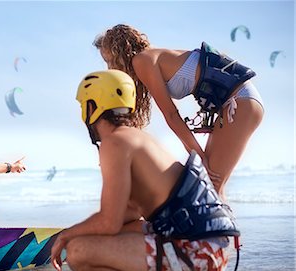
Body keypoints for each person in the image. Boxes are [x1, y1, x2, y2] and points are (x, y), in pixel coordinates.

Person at [50, 70, 241, 271]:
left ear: (91, 107)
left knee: (79, 252)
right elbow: (126, 218)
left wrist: (65, 235)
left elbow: (109, 223)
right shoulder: (138, 137)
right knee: (97, 239)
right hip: (211, 250)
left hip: (196, 253)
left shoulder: (115, 142)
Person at [93, 24, 264, 201]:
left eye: (109, 60)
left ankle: (220, 228)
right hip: (238, 102)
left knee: (210, 184)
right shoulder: (151, 57)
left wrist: (197, 155)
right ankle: (222, 227)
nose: (110, 67)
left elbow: (171, 115)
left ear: (119, 50)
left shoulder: (142, 60)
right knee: (213, 186)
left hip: (240, 102)